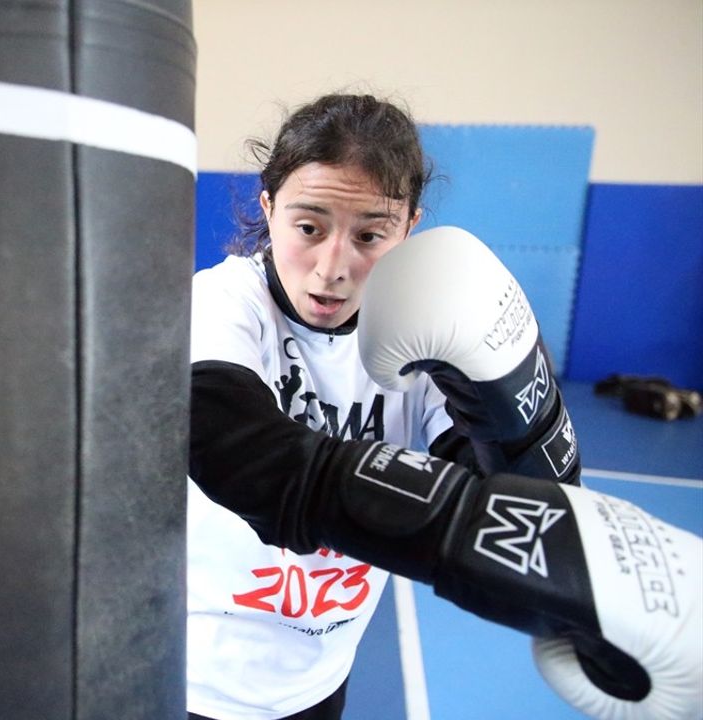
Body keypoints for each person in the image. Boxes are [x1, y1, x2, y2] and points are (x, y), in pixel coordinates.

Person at [186, 93, 698, 720]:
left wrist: (575, 595)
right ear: (269, 209)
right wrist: (461, 529)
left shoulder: (421, 330)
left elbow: (523, 492)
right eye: (309, 227)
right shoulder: (221, 305)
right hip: (194, 676)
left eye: (370, 234)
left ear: (409, 229)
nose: (333, 268)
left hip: (318, 676)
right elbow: (244, 456)